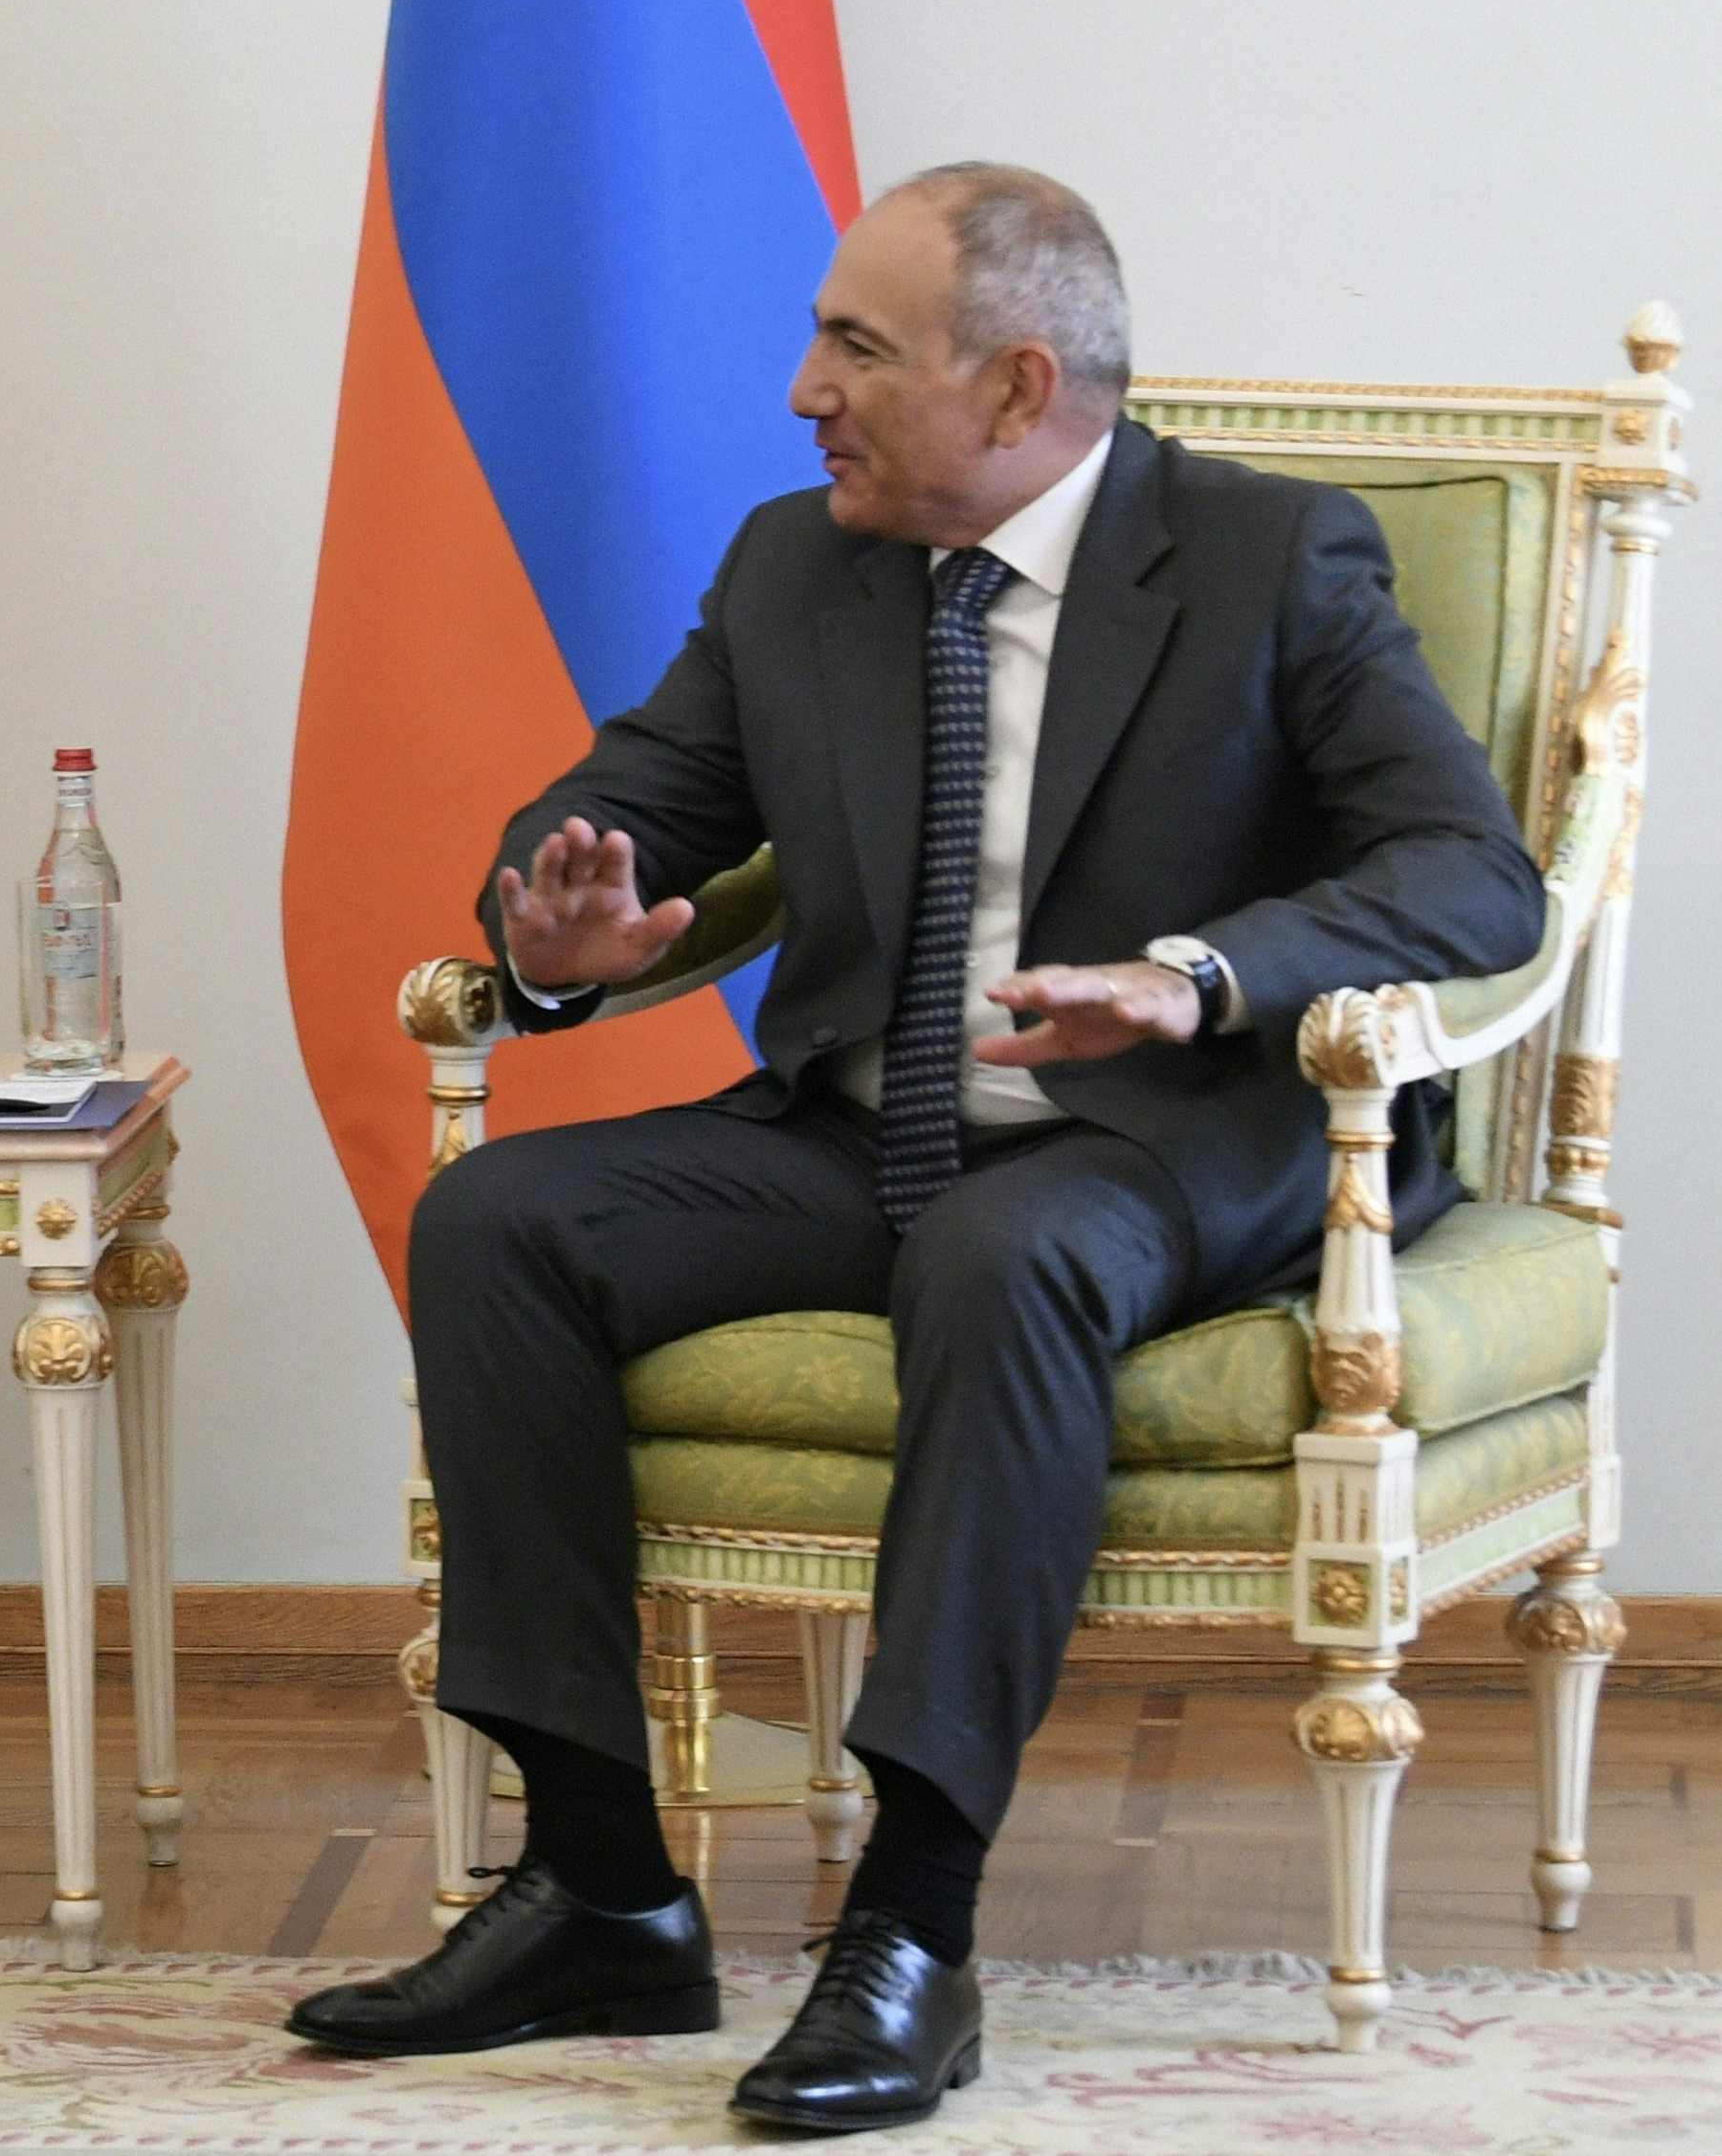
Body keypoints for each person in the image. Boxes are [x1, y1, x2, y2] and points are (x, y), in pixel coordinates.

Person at [282, 166, 1544, 2132]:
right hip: (863, 1122)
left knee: (1003, 1251)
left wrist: (1195, 975)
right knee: (501, 1214)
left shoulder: (1268, 557)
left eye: (854, 348)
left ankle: (909, 1926)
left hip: (1167, 1140)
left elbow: (1472, 875)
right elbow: (625, 805)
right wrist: (558, 923)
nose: (802, 389)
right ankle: (600, 1883)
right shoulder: (800, 568)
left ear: (1020, 383)